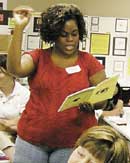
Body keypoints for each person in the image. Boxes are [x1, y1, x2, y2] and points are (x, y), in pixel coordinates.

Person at [7, 4, 120, 163]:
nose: (70, 39)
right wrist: (18, 28)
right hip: (32, 140)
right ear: (53, 35)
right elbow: (14, 69)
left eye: (74, 34)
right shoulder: (39, 57)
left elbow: (103, 97)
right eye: (63, 34)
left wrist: (93, 103)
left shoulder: (88, 61)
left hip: (73, 142)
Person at [0, 55, 30, 161]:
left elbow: (23, 122)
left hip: (20, 133)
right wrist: (10, 124)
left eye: (0, 72)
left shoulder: (24, 93)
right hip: (4, 135)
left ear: (11, 74)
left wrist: (4, 123)